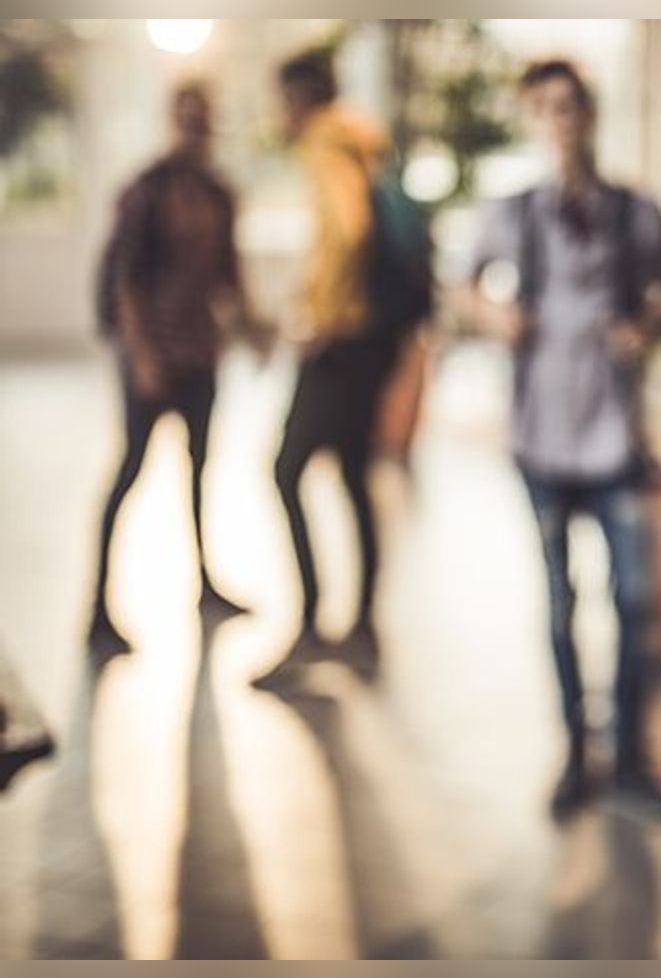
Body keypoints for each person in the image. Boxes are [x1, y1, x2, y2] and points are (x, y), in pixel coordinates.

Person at [460, 60, 661, 816]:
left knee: (633, 599)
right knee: (558, 601)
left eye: (572, 107)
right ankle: (572, 751)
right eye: (547, 109)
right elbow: (462, 286)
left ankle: (627, 754)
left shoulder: (633, 211)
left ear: (590, 115)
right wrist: (497, 318)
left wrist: (645, 324)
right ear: (535, 120)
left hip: (614, 436)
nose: (562, 121)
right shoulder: (514, 212)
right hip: (541, 437)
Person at [89, 81, 260, 657]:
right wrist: (141, 355)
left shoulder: (217, 193)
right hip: (154, 355)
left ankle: (205, 583)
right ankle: (98, 607)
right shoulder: (148, 190)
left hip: (199, 354)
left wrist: (252, 326)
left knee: (199, 472)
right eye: (187, 118)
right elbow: (125, 280)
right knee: (131, 470)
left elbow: (230, 276)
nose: (195, 129)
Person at [252, 52, 401, 689]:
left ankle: (312, 628)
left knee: (285, 471)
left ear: (301, 95)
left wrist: (320, 318)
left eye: (282, 98)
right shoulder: (364, 140)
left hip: (342, 342)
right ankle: (361, 629)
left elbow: (347, 230)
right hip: (373, 343)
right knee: (349, 476)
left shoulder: (324, 141)